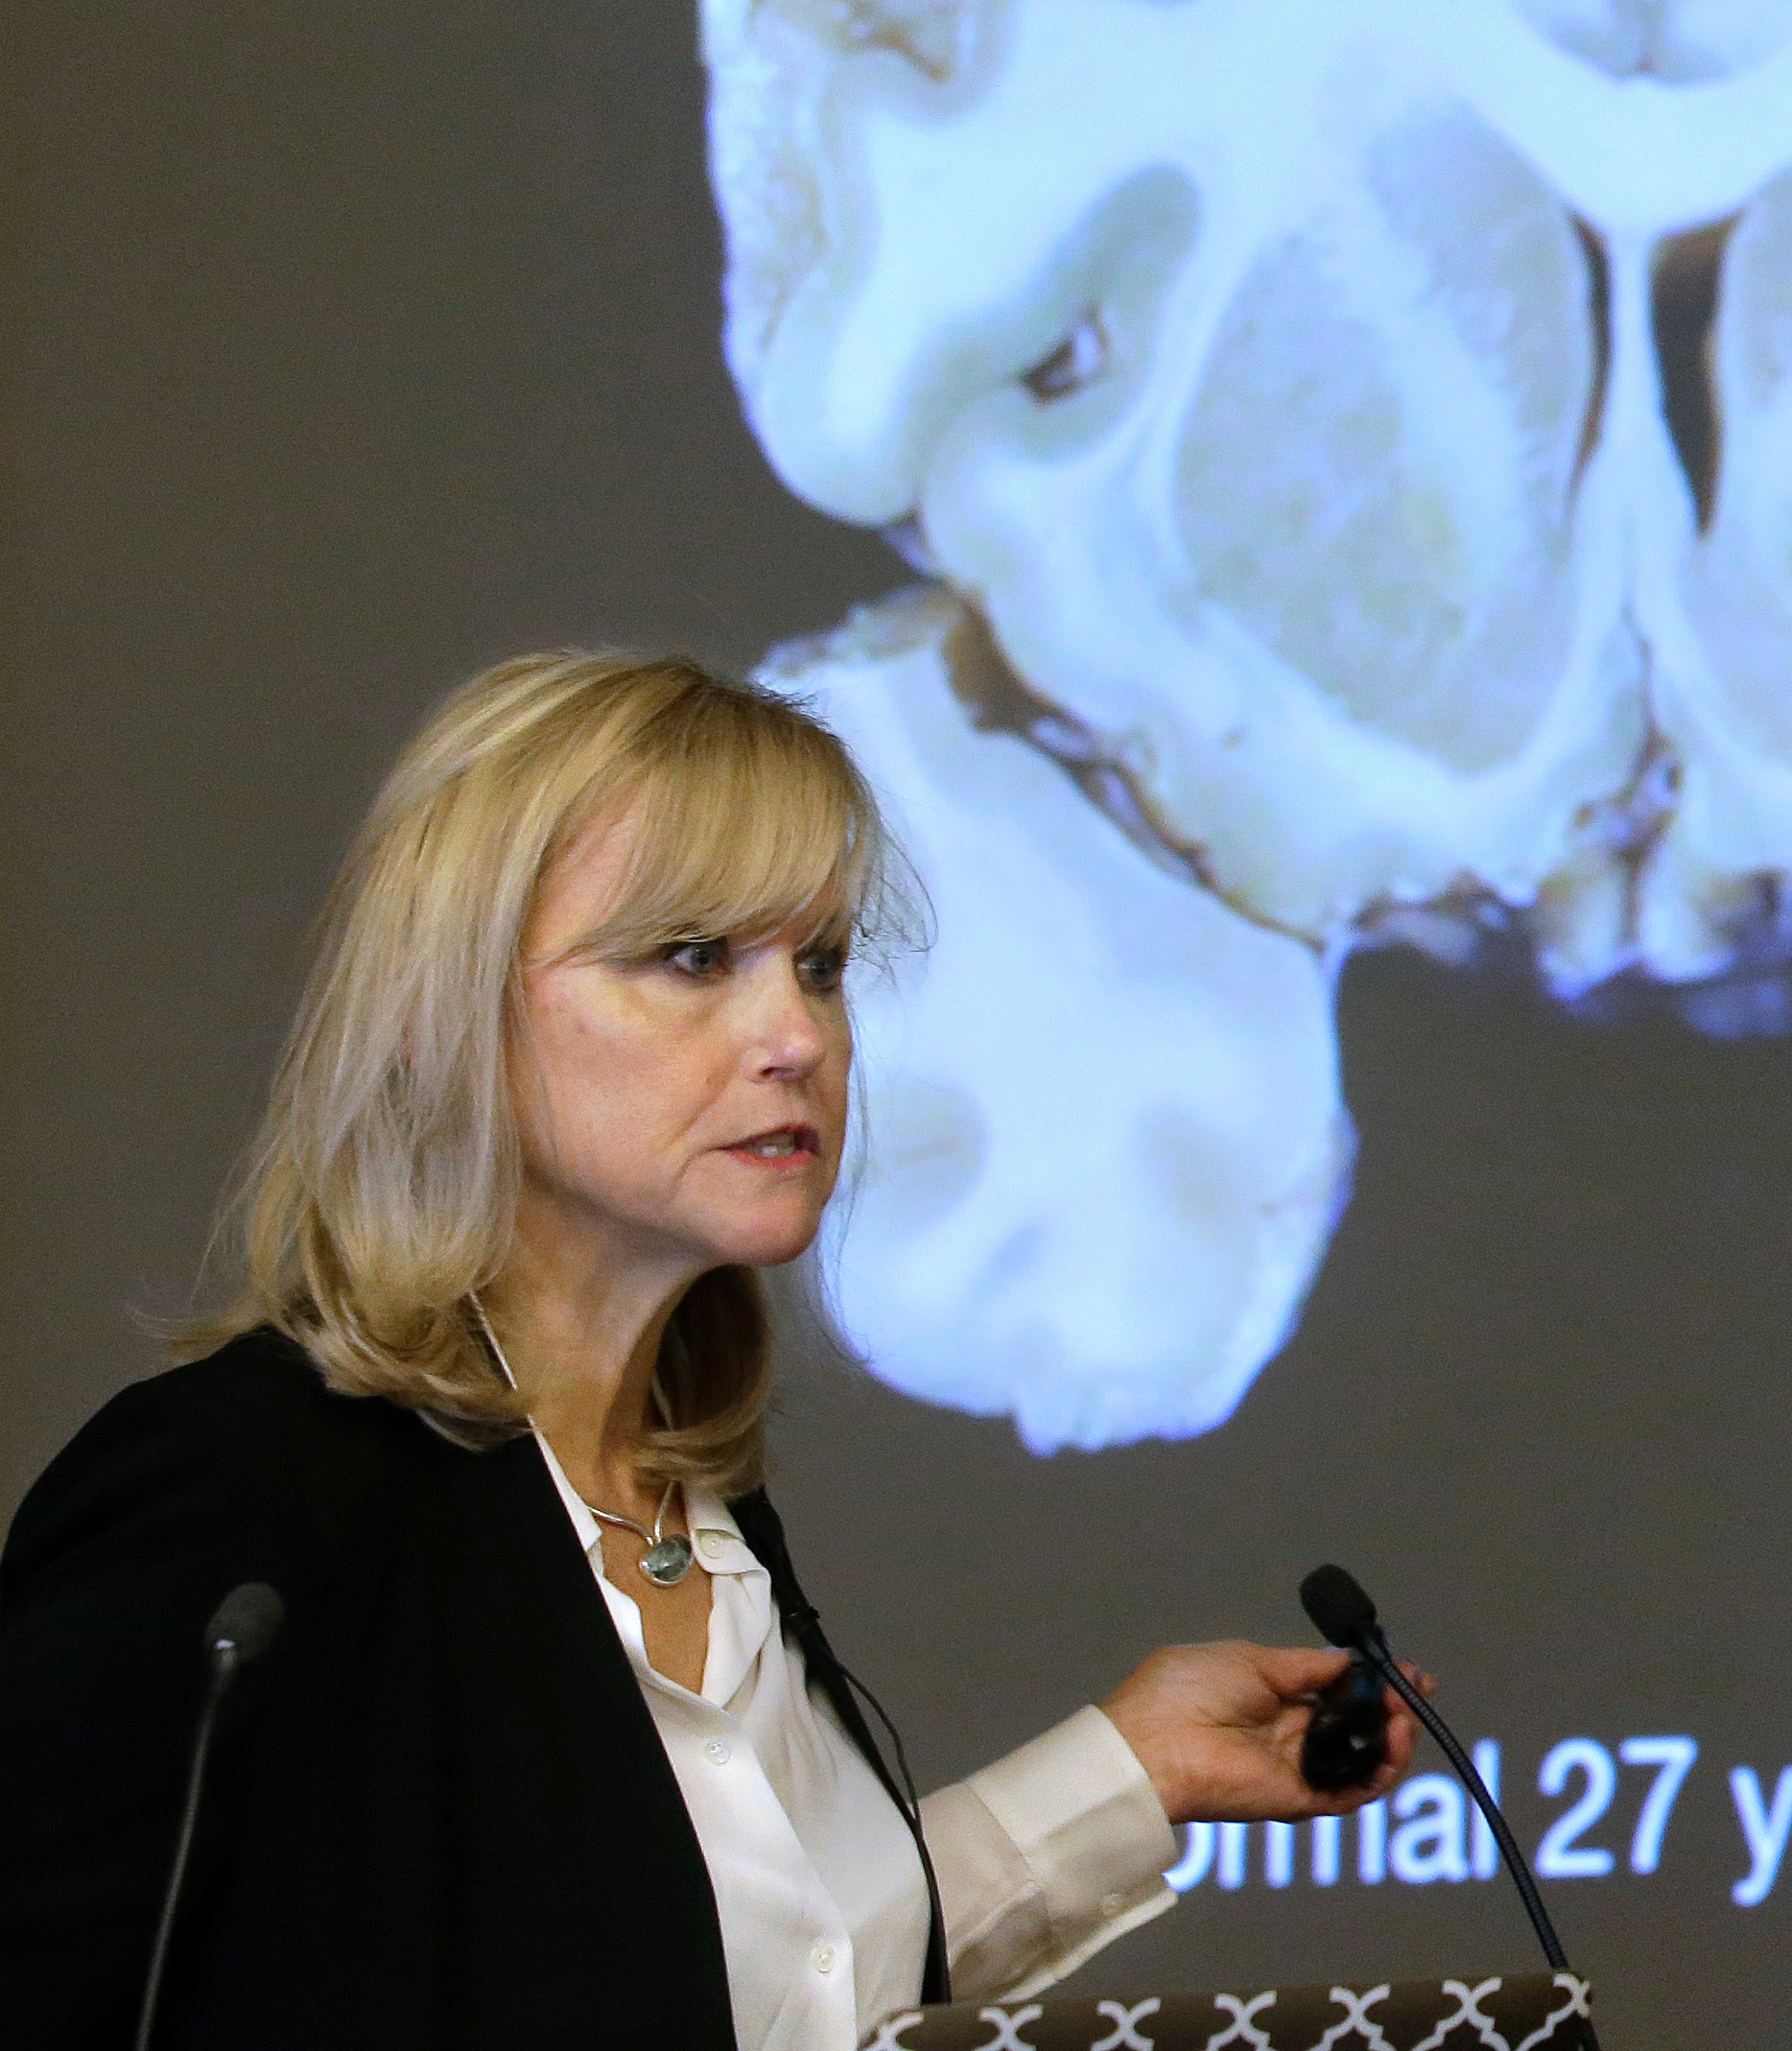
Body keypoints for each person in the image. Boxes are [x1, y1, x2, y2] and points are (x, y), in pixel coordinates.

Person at [0, 650, 1412, 2048]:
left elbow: (773, 1990)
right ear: (455, 1009)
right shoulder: (238, 1495)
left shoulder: (695, 1512)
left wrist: (1130, 1771)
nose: (796, 1034)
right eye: (692, 958)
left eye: (821, 963)